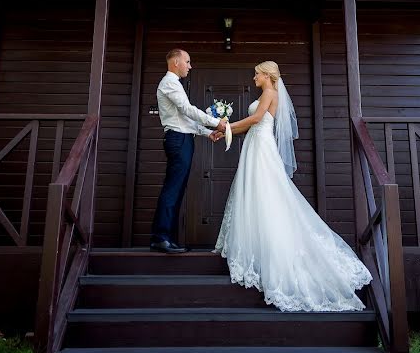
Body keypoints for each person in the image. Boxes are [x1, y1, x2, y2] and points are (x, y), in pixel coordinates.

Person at [213, 61, 372, 311]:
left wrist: (226, 126)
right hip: (256, 144)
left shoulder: (270, 93)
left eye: (256, 73)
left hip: (262, 149)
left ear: (267, 75)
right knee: (259, 196)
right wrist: (226, 132)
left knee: (268, 195)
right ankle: (259, 245)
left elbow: (256, 119)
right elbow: (254, 125)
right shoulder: (267, 93)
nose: (254, 77)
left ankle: (273, 251)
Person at [151, 49, 227, 254]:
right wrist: (216, 123)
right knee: (173, 188)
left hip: (183, 138)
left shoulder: (174, 83)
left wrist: (206, 132)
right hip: (178, 139)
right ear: (176, 62)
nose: (190, 66)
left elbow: (185, 119)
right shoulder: (169, 83)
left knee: (177, 188)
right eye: (187, 62)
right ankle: (161, 237)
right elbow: (188, 110)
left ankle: (168, 238)